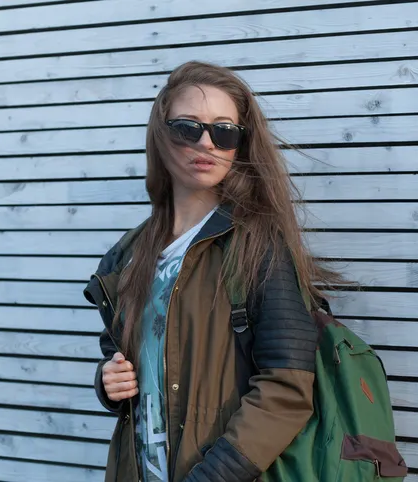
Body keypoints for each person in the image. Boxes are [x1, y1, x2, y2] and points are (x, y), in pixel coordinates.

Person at [84, 61, 342, 482]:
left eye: (224, 132)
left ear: (239, 146)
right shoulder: (126, 256)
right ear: (161, 134)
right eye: (189, 127)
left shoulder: (258, 247)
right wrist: (108, 382)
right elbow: (122, 358)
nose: (207, 143)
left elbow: (287, 389)